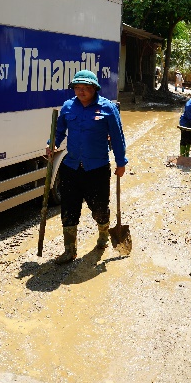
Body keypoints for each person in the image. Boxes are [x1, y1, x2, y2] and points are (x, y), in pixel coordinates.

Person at [46, 70, 128, 264]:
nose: (81, 92)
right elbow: (58, 133)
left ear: (94, 89)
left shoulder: (107, 108)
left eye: (86, 88)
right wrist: (52, 145)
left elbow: (117, 138)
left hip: (97, 169)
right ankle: (69, 250)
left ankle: (103, 234)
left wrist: (121, 162)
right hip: (71, 167)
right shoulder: (67, 107)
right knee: (68, 209)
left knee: (99, 208)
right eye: (77, 88)